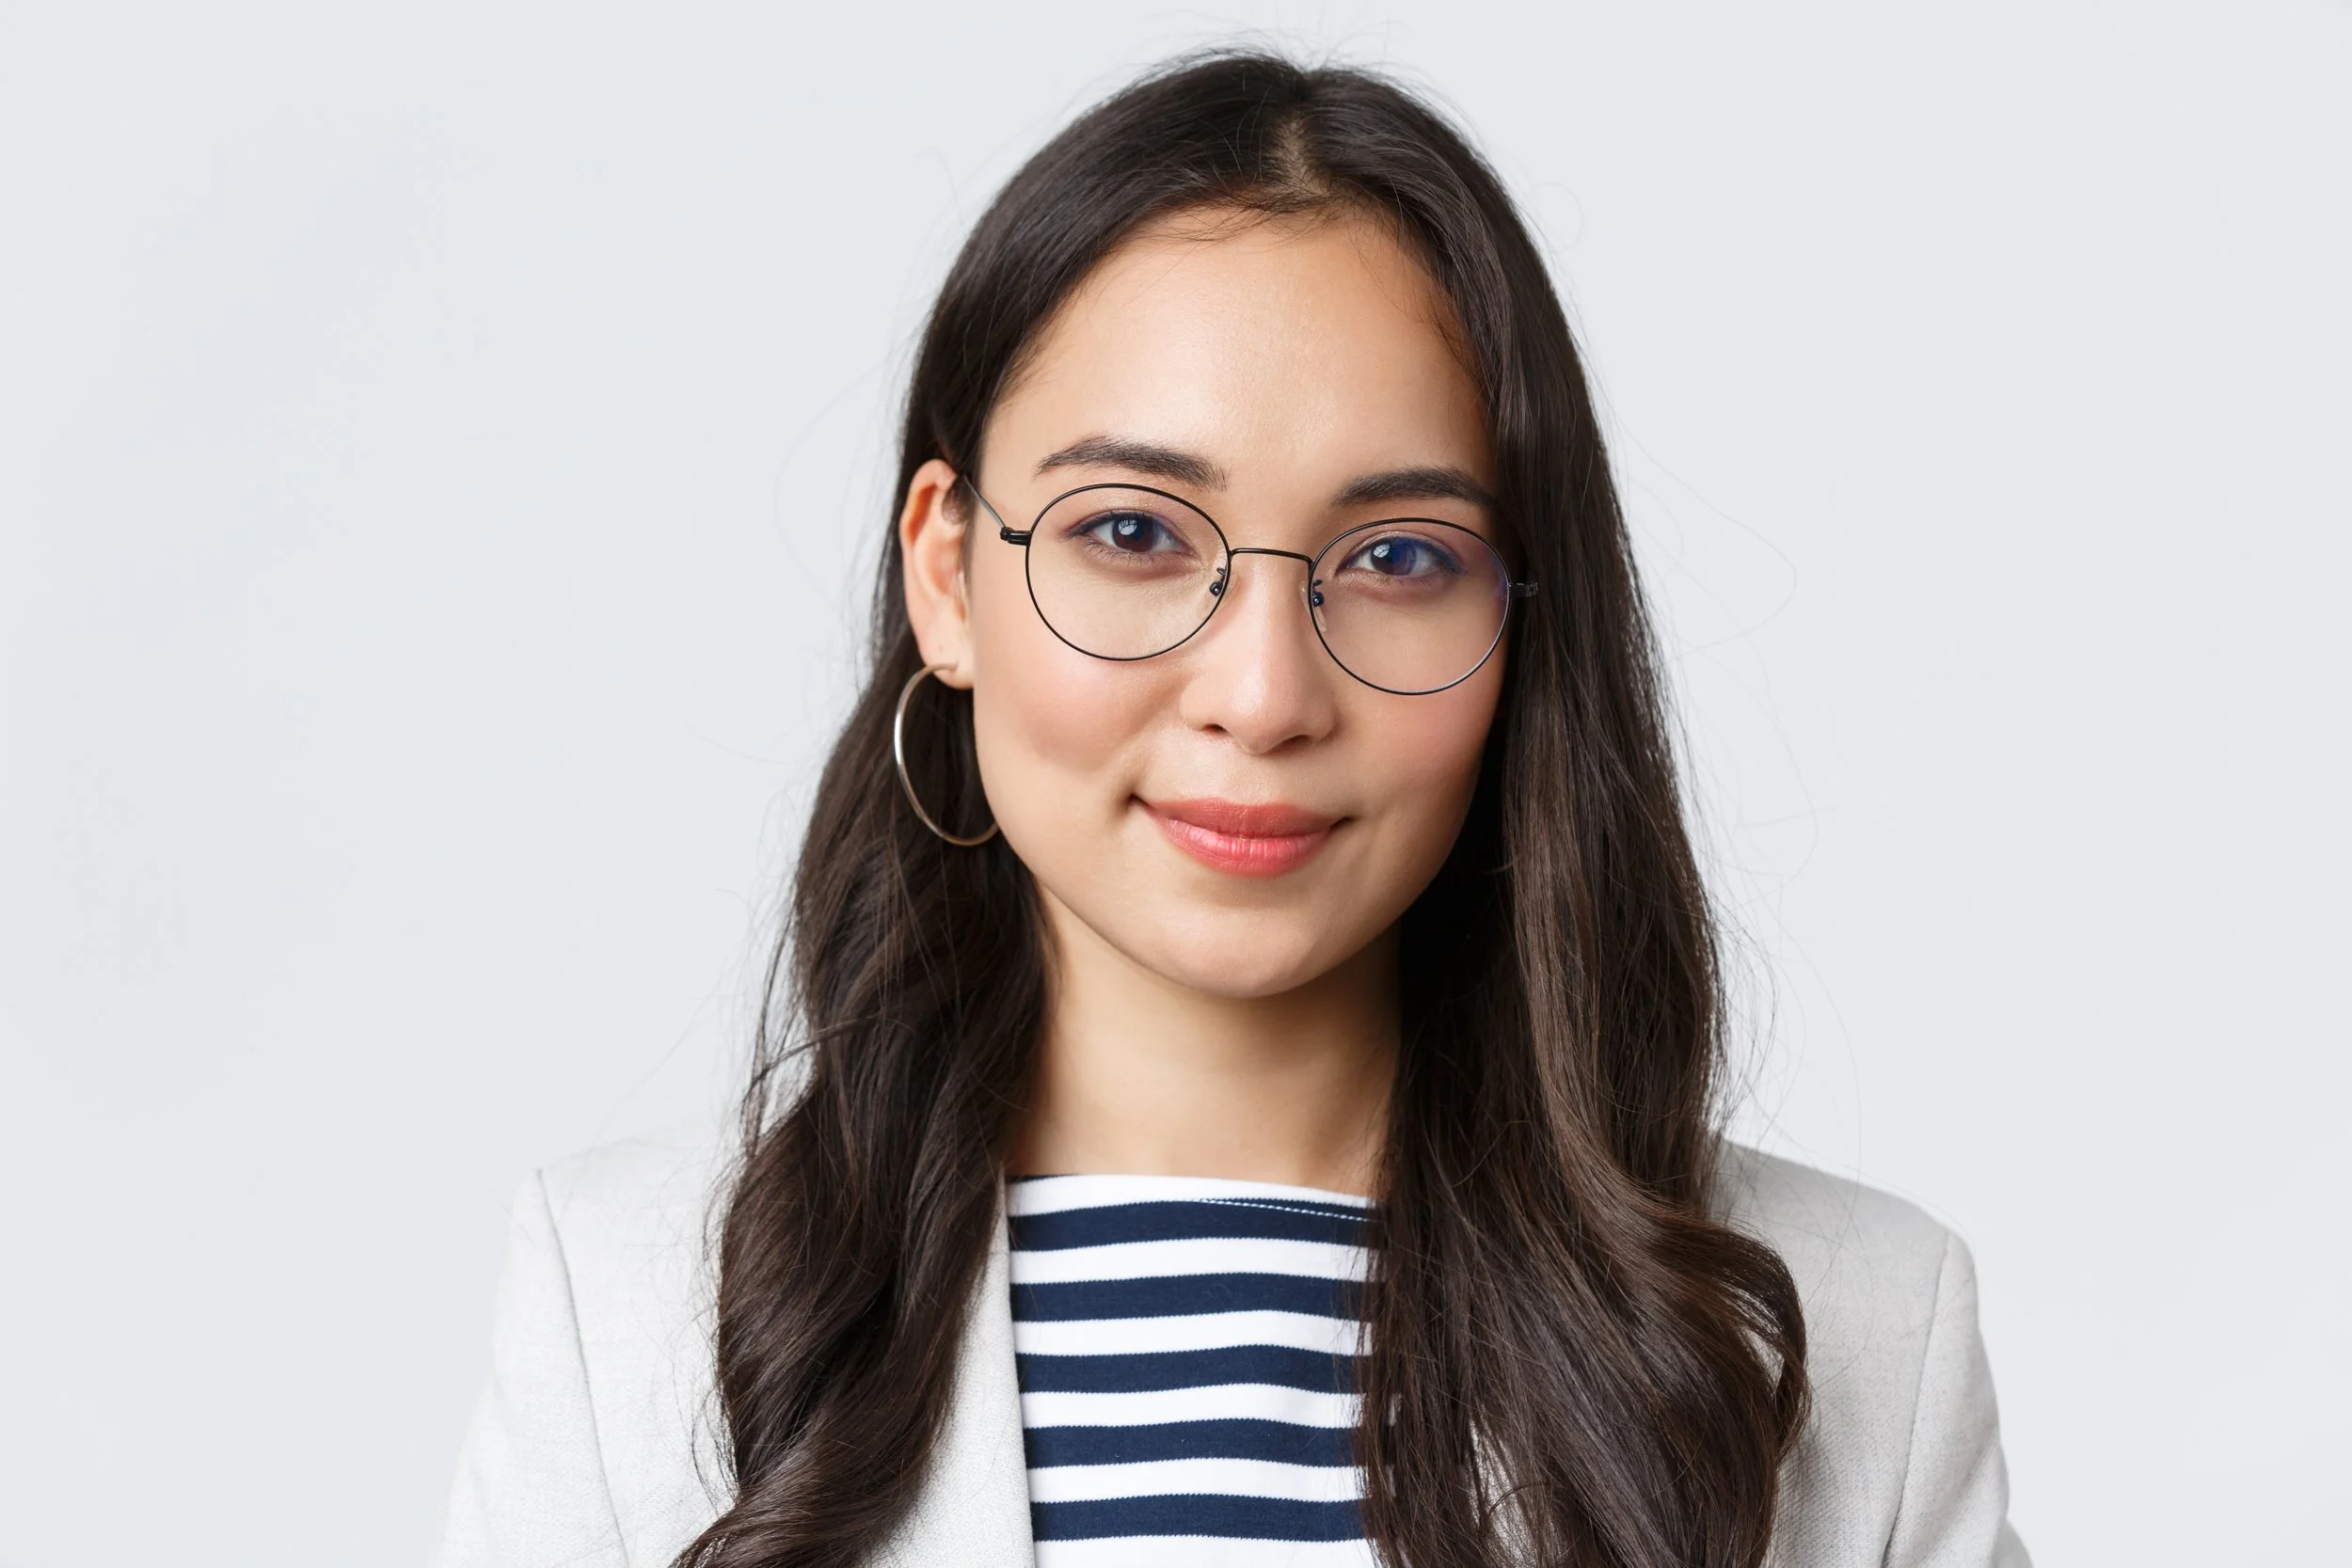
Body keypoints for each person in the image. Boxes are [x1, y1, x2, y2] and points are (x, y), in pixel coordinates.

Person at [430, 51, 2027, 1568]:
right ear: (948, 573)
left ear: (1524, 628)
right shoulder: (633, 1307)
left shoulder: (1854, 1330)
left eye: (1401, 558)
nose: (1262, 694)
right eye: (1132, 530)